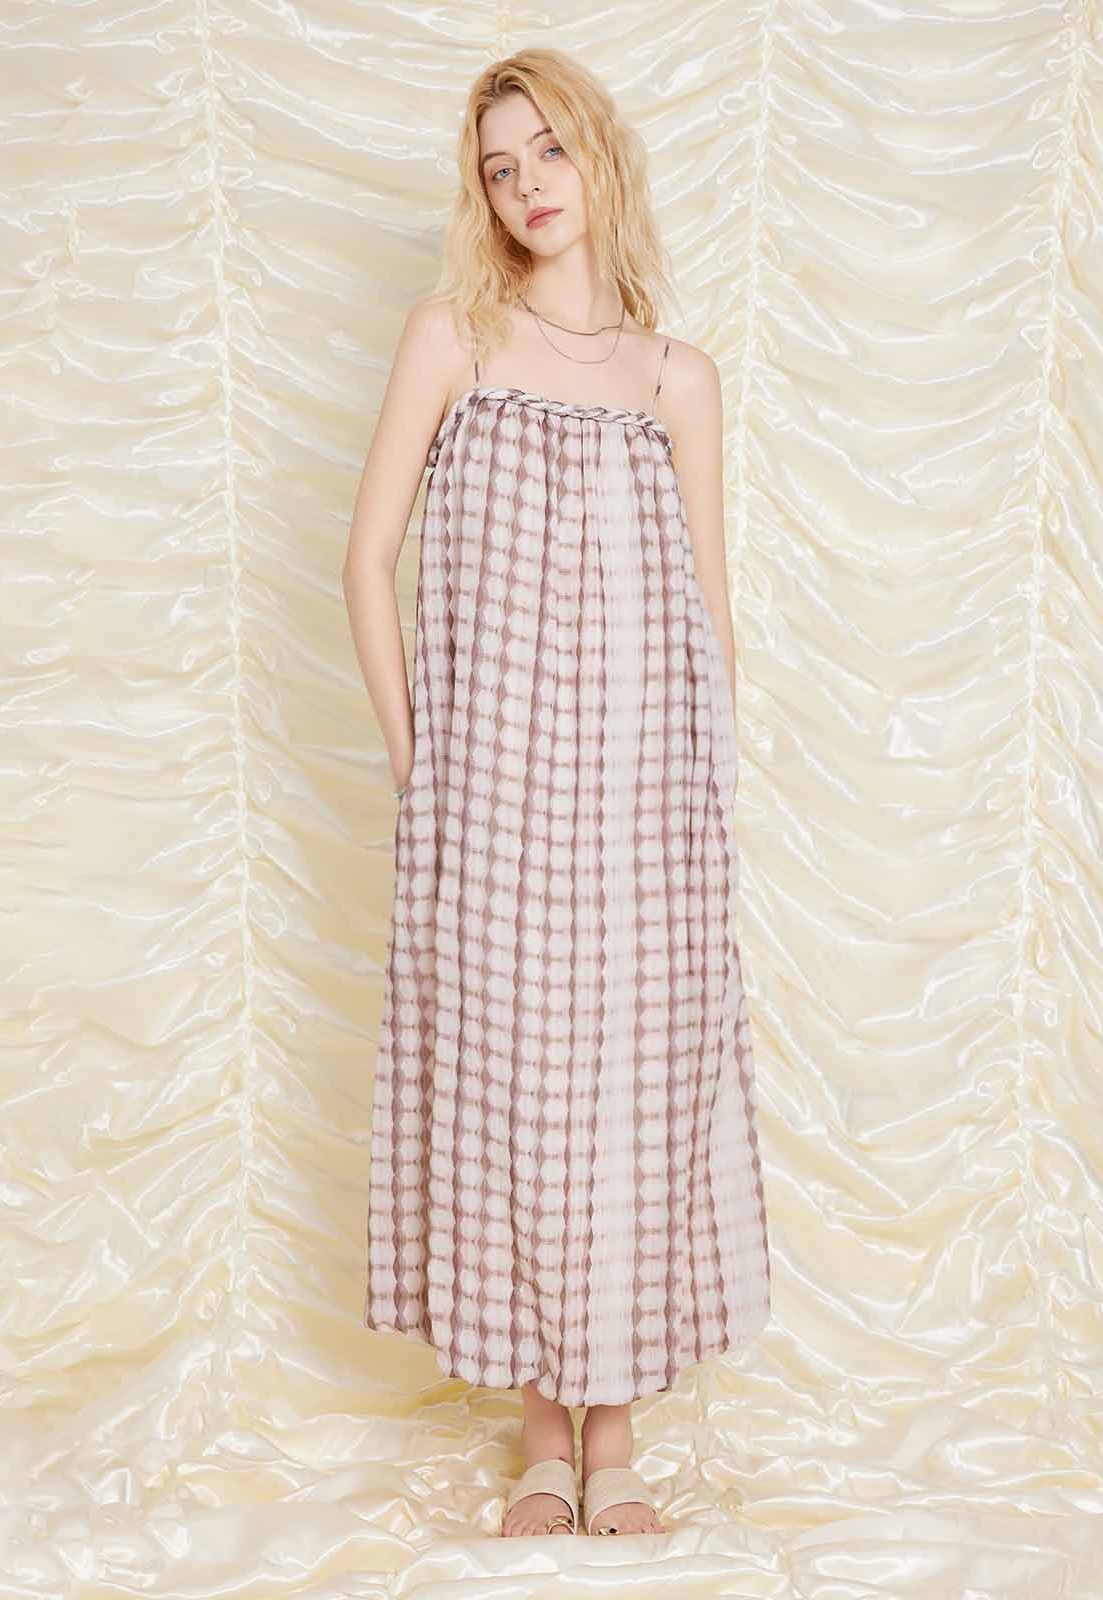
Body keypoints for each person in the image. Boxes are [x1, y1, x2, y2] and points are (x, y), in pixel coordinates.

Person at [343, 46, 771, 1541]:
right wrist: (422, 768)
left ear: (601, 156)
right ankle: (541, 1433)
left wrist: (713, 797)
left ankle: (618, 1436)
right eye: (499, 165)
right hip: (494, 805)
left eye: (549, 151)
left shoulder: (675, 378)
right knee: (515, 1090)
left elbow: (709, 605)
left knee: (636, 1094)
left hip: (650, 803)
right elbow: (365, 563)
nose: (527, 184)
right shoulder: (453, 340)